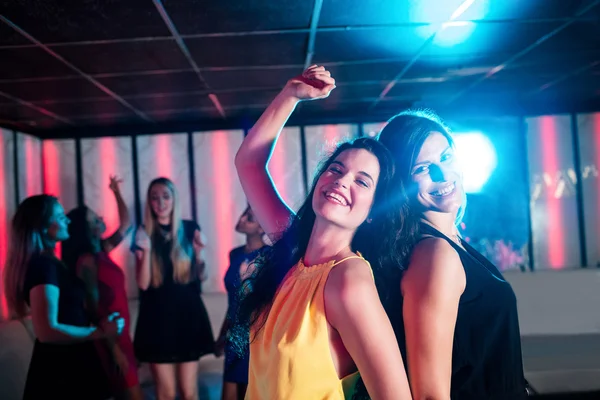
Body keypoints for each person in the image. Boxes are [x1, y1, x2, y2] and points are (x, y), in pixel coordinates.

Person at [234, 65, 411, 399]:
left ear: (373, 212)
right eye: (336, 169)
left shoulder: (348, 279)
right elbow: (248, 163)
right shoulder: (291, 249)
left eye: (362, 181)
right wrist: (291, 96)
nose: (342, 181)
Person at [377, 110, 528, 399]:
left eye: (445, 158)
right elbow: (429, 395)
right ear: (399, 184)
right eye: (421, 169)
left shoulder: (451, 241)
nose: (441, 174)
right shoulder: (435, 255)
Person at [3, 194, 124, 400]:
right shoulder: (43, 266)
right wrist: (99, 332)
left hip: (70, 359)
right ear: (42, 227)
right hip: (63, 367)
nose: (67, 220)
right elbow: (47, 330)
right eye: (60, 217)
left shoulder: (50, 262)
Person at [132, 177, 215, 400]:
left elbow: (203, 276)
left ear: (174, 200)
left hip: (187, 315)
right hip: (156, 320)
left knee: (189, 392)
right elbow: (142, 283)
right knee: (166, 393)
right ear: (149, 202)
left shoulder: (189, 229)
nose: (160, 203)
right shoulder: (142, 232)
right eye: (155, 198)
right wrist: (147, 250)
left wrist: (199, 253)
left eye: (165, 197)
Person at [62, 176, 143, 400]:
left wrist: (116, 191)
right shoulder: (87, 261)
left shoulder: (101, 251)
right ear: (87, 229)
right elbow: (93, 307)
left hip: (121, 334)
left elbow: (126, 225)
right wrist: (114, 348)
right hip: (110, 339)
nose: (100, 218)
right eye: (94, 219)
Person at [215, 206, 268, 400]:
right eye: (244, 213)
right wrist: (222, 334)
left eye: (250, 218)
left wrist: (248, 282)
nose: (243, 218)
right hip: (233, 331)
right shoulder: (235, 254)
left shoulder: (269, 256)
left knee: (248, 392)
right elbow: (233, 301)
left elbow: (266, 299)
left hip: (254, 332)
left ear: (262, 228)